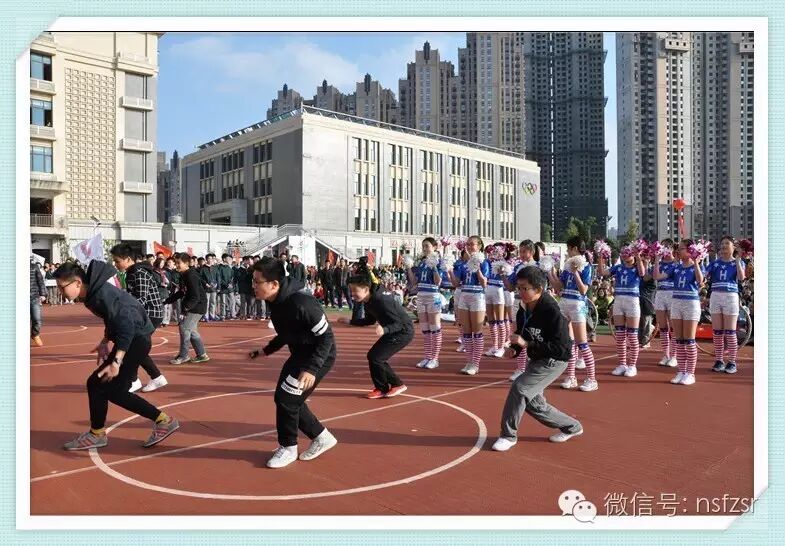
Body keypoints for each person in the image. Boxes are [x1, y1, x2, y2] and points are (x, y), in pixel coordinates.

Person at [54, 261, 179, 450]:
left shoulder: (102, 295)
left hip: (136, 341)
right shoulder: (93, 294)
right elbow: (111, 319)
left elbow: (126, 326)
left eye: (62, 287)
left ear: (77, 282)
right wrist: (105, 341)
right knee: (96, 384)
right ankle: (97, 433)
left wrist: (117, 361)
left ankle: (163, 421)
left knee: (111, 390)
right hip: (134, 339)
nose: (60, 292)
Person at [248, 257, 337, 468]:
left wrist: (311, 369)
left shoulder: (302, 303)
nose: (253, 286)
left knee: (287, 399)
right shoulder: (276, 301)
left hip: (318, 356)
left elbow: (326, 338)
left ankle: (288, 447)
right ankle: (321, 437)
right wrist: (266, 350)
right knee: (287, 399)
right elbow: (286, 332)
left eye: (257, 282)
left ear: (274, 284)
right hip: (299, 354)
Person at [491, 266, 584, 451]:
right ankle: (572, 426)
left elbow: (562, 348)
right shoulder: (523, 308)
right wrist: (515, 349)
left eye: (525, 288)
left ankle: (508, 435)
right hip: (537, 358)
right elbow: (522, 333)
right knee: (535, 404)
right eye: (519, 288)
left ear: (539, 289)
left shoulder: (552, 311)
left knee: (520, 388)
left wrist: (527, 344)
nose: (520, 292)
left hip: (554, 360)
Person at [340, 274, 413, 398]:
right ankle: (383, 388)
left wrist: (385, 329)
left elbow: (399, 323)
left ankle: (394, 385)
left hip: (403, 331)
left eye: (355, 291)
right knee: (374, 357)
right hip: (393, 331)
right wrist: (351, 321)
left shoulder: (381, 300)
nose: (352, 294)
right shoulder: (368, 301)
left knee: (376, 357)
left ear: (366, 289)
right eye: (351, 290)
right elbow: (370, 320)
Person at [109, 244, 168, 394]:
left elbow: (141, 298)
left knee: (135, 346)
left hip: (150, 314)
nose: (115, 264)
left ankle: (135, 380)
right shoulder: (132, 272)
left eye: (117, 261)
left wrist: (123, 308)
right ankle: (151, 378)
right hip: (142, 314)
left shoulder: (139, 273)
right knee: (135, 346)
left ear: (128, 259)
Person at [548, 236, 598, 392]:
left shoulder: (587, 266)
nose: (568, 252)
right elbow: (559, 287)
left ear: (575, 248)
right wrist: (550, 272)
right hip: (564, 302)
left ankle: (592, 379)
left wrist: (576, 272)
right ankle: (571, 377)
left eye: (569, 249)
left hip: (578, 304)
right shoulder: (567, 265)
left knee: (582, 343)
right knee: (567, 341)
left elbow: (583, 290)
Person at [654, 239, 705, 385]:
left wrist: (696, 262)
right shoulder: (675, 267)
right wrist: (657, 259)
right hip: (676, 302)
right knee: (680, 340)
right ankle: (681, 371)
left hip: (690, 304)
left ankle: (690, 373)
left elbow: (700, 280)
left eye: (682, 248)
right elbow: (657, 276)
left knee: (689, 340)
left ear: (690, 250)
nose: (678, 251)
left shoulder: (696, 266)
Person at [598, 244, 646, 378]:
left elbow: (643, 273)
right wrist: (600, 257)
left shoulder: (637, 267)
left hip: (632, 301)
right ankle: (622, 364)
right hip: (619, 300)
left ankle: (632, 365)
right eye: (623, 253)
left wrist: (638, 256)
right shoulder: (618, 267)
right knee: (620, 336)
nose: (625, 255)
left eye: (628, 253)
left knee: (632, 335)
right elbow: (602, 273)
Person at [705, 236, 746, 374]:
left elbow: (741, 277)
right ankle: (719, 360)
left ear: (733, 247)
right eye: (722, 243)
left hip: (730, 296)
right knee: (717, 332)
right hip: (716, 296)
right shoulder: (714, 263)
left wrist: (738, 260)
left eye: (727, 243)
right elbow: (703, 276)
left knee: (730, 332)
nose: (723, 246)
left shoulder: (738, 262)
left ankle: (732, 362)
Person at [164, 252, 210, 365]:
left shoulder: (191, 275)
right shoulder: (183, 275)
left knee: (184, 327)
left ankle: (183, 355)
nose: (176, 265)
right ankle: (202, 354)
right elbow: (182, 291)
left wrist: (185, 310)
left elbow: (195, 296)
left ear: (186, 263)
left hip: (197, 306)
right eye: (175, 263)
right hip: (193, 305)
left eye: (178, 263)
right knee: (191, 330)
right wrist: (167, 301)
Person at [453, 236, 490, 375]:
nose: (469, 247)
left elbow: (484, 283)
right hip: (464, 296)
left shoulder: (484, 262)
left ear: (479, 246)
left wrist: (477, 267)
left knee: (477, 331)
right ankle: (469, 361)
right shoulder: (463, 263)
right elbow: (456, 283)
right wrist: (450, 270)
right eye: (467, 244)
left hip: (477, 297)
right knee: (466, 332)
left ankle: (475, 363)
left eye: (472, 244)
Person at [406, 237, 443, 370]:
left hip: (433, 295)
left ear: (434, 247)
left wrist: (434, 268)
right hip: (421, 295)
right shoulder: (421, 263)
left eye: (427, 246)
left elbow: (438, 282)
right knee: (425, 328)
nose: (425, 249)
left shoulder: (438, 261)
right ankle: (427, 356)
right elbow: (414, 283)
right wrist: (408, 268)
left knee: (435, 327)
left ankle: (435, 358)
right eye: (423, 246)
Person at [503, 240, 537, 380]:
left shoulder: (538, 267)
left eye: (524, 251)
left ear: (532, 252)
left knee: (533, 334)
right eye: (520, 251)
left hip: (533, 304)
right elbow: (510, 287)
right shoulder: (518, 267)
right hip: (518, 302)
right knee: (518, 333)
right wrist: (502, 275)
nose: (521, 254)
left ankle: (533, 367)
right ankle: (520, 368)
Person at [653, 239, 678, 368]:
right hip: (660, 294)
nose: (665, 249)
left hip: (672, 294)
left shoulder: (676, 263)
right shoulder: (659, 263)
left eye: (667, 247)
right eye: (663, 247)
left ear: (672, 249)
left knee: (673, 327)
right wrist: (656, 260)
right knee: (663, 327)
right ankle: (665, 355)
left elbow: (658, 276)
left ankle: (674, 356)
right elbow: (653, 276)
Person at [484, 243, 509, 360]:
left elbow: (507, 275)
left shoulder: (504, 263)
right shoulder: (488, 261)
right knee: (491, 320)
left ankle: (501, 347)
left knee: (500, 320)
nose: (495, 252)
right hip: (488, 288)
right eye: (494, 250)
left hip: (498, 290)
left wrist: (502, 269)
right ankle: (494, 345)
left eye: (498, 250)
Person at [30, 260, 46, 347]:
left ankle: (35, 334)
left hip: (34, 297)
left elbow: (40, 281)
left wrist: (43, 294)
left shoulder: (34, 267)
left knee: (37, 319)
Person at [200, 254, 219, 321]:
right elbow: (200, 278)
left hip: (214, 288)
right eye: (209, 258)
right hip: (206, 288)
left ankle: (212, 315)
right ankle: (206, 316)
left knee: (213, 302)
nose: (210, 260)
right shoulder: (203, 268)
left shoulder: (215, 268)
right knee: (207, 302)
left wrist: (217, 285)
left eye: (211, 259)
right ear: (206, 259)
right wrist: (205, 284)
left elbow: (218, 277)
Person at [216, 253, 235, 321]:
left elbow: (232, 277)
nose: (230, 260)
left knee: (232, 301)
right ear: (224, 259)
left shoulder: (230, 268)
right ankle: (222, 315)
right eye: (228, 258)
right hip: (223, 288)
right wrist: (226, 285)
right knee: (223, 302)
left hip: (230, 288)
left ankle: (231, 314)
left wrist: (231, 284)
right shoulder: (219, 267)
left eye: (230, 259)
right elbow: (219, 278)